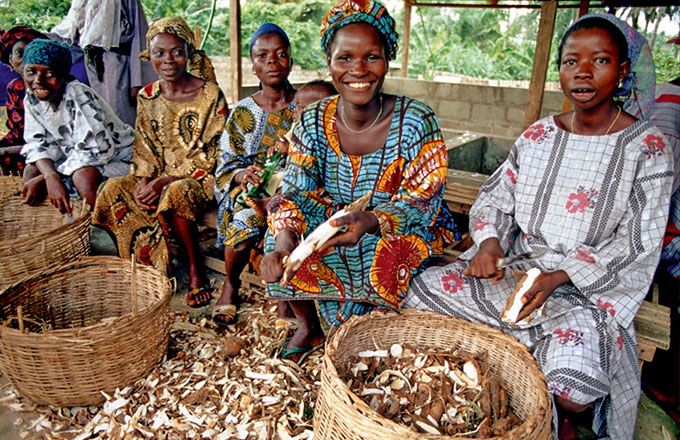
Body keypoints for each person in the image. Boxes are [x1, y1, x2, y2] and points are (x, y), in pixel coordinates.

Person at [403, 14, 673, 440]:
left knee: (573, 388)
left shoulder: (648, 149)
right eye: (570, 62)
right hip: (517, 269)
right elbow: (495, 198)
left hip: (586, 289)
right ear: (560, 70)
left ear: (622, 71)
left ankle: (549, 418)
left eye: (599, 60)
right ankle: (494, 387)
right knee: (421, 292)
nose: (582, 72)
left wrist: (558, 277)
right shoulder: (537, 137)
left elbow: (638, 242)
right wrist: (490, 244)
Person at [259, 0, 457, 362]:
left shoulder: (417, 120)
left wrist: (370, 221)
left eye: (372, 57)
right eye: (345, 58)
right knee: (278, 237)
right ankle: (310, 324)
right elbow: (296, 192)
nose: (358, 70)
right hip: (334, 223)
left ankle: (368, 338)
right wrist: (285, 242)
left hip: (398, 226)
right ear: (329, 63)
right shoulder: (313, 119)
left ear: (388, 59)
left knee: (379, 253)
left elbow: (423, 202)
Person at [92, 17, 228, 308]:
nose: (168, 60)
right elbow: (144, 147)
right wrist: (144, 182)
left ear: (189, 53)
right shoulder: (148, 96)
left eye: (177, 51)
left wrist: (165, 182)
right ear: (149, 57)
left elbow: (214, 155)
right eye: (159, 53)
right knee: (113, 189)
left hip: (200, 177)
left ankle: (195, 271)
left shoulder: (210, 95)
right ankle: (144, 266)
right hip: (157, 175)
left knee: (176, 194)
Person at [212, 23, 297, 326]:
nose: (272, 62)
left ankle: (289, 302)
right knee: (244, 225)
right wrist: (243, 176)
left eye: (280, 54)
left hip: (296, 189)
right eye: (262, 56)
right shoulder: (243, 112)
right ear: (253, 66)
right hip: (253, 191)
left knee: (291, 227)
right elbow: (225, 165)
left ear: (290, 59)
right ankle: (231, 283)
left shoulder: (307, 105)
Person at [19, 39, 133, 214]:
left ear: (63, 75)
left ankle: (106, 224)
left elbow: (97, 150)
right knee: (32, 170)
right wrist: (49, 176)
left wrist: (52, 176)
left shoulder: (77, 94)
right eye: (31, 72)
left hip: (121, 159)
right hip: (77, 159)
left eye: (49, 74)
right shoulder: (32, 98)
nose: (38, 80)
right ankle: (58, 224)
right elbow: (36, 143)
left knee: (83, 177)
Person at [50, 0, 156, 126]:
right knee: (94, 118)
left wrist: (137, 82)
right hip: (90, 66)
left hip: (118, 68)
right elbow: (70, 31)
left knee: (119, 118)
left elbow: (140, 36)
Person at [0, 26, 47, 176]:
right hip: (22, 144)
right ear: (10, 61)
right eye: (20, 54)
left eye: (32, 53)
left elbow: (49, 139)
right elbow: (17, 132)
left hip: (49, 149)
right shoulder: (15, 88)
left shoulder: (53, 86)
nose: (27, 60)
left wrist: (7, 150)